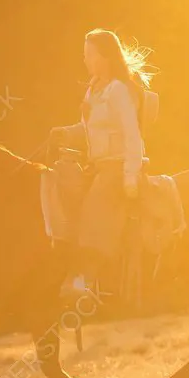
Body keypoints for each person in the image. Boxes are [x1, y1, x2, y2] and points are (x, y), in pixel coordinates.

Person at [50, 28, 154, 298]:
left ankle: (85, 277)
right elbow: (87, 128)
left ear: (105, 57)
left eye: (89, 55)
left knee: (94, 207)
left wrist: (131, 175)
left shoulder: (119, 90)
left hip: (118, 166)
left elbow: (132, 133)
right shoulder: (94, 90)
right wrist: (66, 132)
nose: (85, 60)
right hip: (99, 166)